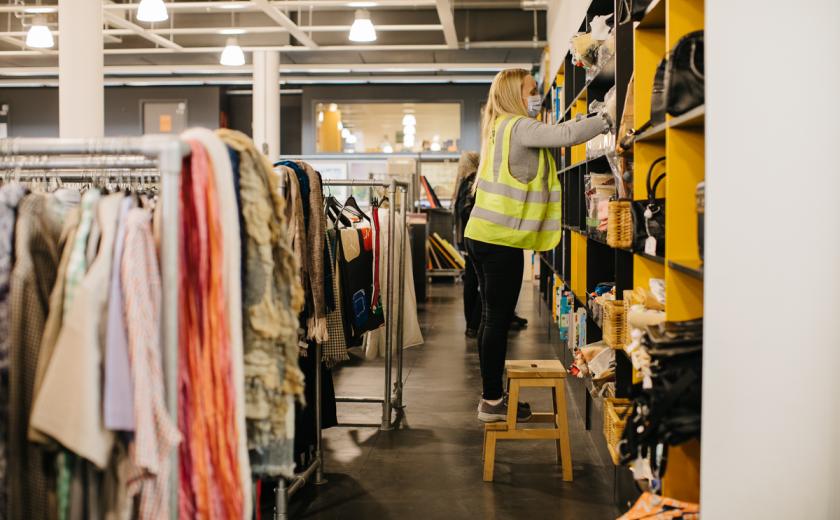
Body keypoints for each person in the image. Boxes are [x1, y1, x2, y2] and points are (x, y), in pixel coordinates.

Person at [464, 68, 611, 422]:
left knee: (490, 317)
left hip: (483, 234)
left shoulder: (498, 127)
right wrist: (607, 117)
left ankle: (492, 397)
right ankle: (492, 401)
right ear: (516, 93)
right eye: (532, 90)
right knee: (497, 318)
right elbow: (566, 133)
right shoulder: (519, 126)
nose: (538, 97)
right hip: (499, 238)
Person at [453, 151, 528, 339]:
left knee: (473, 281)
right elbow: (468, 210)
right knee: (480, 284)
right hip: (478, 236)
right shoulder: (474, 182)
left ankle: (473, 323)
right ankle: (474, 323)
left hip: (468, 237)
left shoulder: (464, 182)